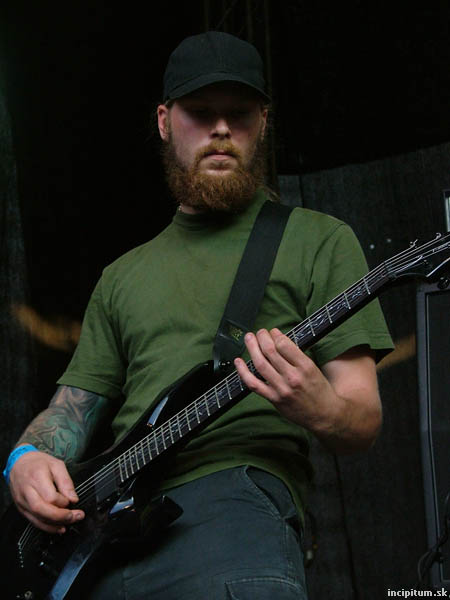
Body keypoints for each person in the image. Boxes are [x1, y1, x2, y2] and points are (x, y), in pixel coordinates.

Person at [4, 32, 393, 599]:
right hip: (104, 538)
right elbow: (71, 410)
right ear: (165, 122)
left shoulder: (319, 239)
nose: (221, 129)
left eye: (239, 114)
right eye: (200, 112)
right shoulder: (121, 276)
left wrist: (320, 407)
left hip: (234, 511)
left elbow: (362, 420)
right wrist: (25, 458)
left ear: (263, 123)